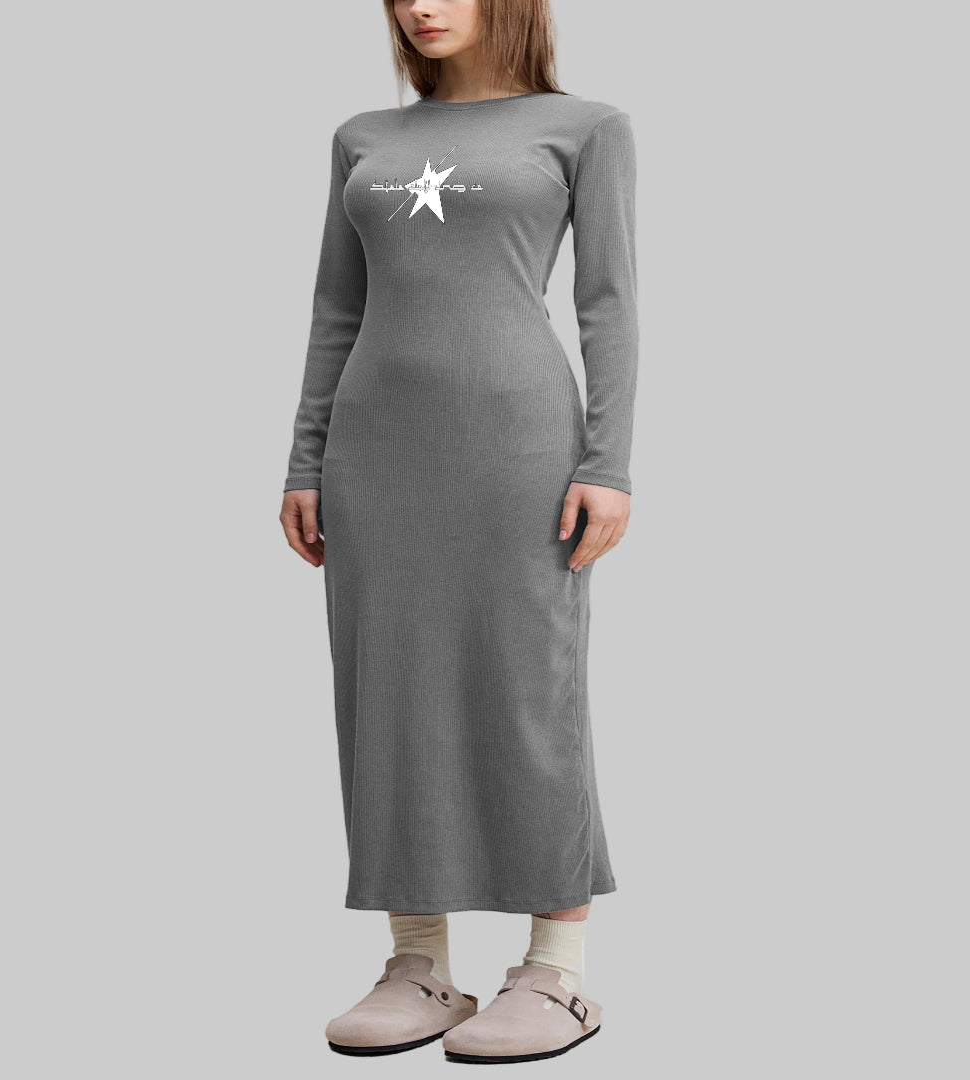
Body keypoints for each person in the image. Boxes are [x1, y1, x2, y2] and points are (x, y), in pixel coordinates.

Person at [279, 0, 638, 1063]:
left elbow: (609, 305)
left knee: (528, 688)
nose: (419, 6)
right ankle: (420, 964)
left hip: (519, 446)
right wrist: (304, 460)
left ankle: (556, 973)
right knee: (387, 688)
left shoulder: (585, 128)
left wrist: (609, 464)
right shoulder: (363, 138)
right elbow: (335, 309)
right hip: (375, 451)